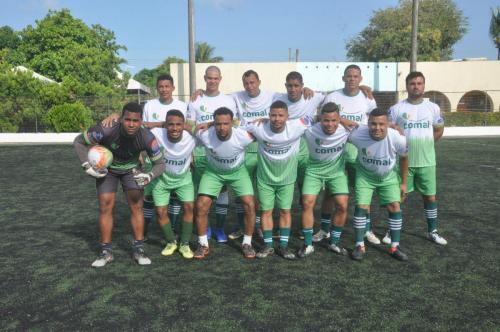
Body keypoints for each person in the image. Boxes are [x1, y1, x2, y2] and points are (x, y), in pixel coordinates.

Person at [74, 102, 166, 267]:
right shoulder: (106, 129)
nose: (131, 124)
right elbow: (79, 141)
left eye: (135, 121)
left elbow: (161, 164)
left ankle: (138, 248)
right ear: (121, 119)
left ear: (141, 121)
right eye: (127, 119)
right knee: (105, 206)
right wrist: (87, 166)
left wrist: (149, 175)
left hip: (132, 170)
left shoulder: (147, 137)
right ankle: (106, 251)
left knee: (136, 206)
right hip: (107, 170)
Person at [101, 74, 189, 239]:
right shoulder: (149, 105)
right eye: (161, 87)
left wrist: (189, 153)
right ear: (157, 88)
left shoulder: (182, 105)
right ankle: (146, 229)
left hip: (175, 154)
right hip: (151, 154)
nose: (164, 89)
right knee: (148, 192)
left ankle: (173, 228)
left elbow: (186, 128)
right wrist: (140, 154)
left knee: (175, 194)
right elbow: (141, 129)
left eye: (167, 86)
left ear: (173, 88)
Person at [315, 64, 380, 245]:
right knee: (329, 193)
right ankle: (324, 230)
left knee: (362, 193)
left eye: (355, 76)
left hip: (359, 152)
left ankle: (367, 230)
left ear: (360, 79)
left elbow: (374, 120)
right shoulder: (333, 96)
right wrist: (342, 119)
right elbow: (322, 115)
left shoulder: (367, 98)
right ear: (343, 78)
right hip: (336, 152)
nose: (352, 79)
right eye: (349, 76)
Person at [385, 71, 447, 245]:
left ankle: (432, 231)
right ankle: (392, 230)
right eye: (413, 83)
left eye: (419, 83)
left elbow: (439, 129)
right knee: (399, 196)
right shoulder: (396, 109)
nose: (416, 86)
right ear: (407, 86)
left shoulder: (433, 108)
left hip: (427, 161)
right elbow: (389, 130)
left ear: (424, 86)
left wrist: (427, 143)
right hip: (404, 162)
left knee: (430, 197)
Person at [246, 100, 312, 260]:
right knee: (266, 211)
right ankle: (268, 246)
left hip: (287, 180)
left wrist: (343, 121)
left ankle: (283, 246)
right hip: (265, 179)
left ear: (287, 116)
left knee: (285, 211)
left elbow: (314, 119)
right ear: (268, 116)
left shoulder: (297, 126)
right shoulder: (258, 127)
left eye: (281, 115)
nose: (277, 119)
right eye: (273, 115)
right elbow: (236, 125)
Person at [193, 107, 257, 259]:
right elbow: (189, 127)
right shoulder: (205, 134)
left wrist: (267, 120)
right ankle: (203, 244)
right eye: (218, 124)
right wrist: (203, 125)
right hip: (213, 173)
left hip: (238, 173)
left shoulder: (243, 136)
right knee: (201, 204)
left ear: (232, 123)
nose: (222, 127)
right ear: (213, 124)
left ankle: (247, 243)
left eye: (226, 123)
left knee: (249, 204)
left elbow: (264, 130)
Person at [348, 108, 409, 261]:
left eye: (381, 124)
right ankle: (359, 245)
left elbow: (404, 158)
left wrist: (404, 183)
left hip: (387, 177)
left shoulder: (398, 138)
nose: (377, 128)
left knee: (395, 207)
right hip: (365, 176)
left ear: (388, 124)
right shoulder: (357, 134)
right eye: (373, 124)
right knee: (361, 206)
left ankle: (395, 246)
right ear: (367, 124)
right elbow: (337, 126)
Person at [188, 66, 237, 243]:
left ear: (220, 79)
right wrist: (190, 152)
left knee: (223, 190)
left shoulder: (229, 100)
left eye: (215, 78)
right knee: (203, 194)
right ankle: (206, 227)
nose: (212, 81)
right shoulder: (195, 100)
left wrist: (210, 124)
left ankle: (220, 229)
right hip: (200, 152)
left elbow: (236, 123)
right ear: (205, 78)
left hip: (222, 152)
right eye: (209, 78)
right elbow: (188, 125)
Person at [298, 102, 350, 257]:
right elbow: (287, 125)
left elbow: (371, 128)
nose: (330, 124)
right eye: (326, 120)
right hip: (314, 171)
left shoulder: (346, 130)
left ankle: (334, 242)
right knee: (307, 202)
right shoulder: (309, 130)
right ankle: (308, 244)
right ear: (320, 119)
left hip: (336, 173)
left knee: (342, 205)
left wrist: (392, 126)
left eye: (334, 120)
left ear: (339, 119)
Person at [149, 110, 195, 259]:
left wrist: (193, 127)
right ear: (165, 125)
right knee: (161, 212)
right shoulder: (157, 133)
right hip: (161, 179)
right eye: (170, 124)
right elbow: (138, 127)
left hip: (184, 179)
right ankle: (171, 242)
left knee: (189, 207)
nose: (174, 128)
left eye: (178, 124)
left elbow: (210, 130)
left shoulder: (192, 137)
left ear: (184, 125)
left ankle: (185, 244)